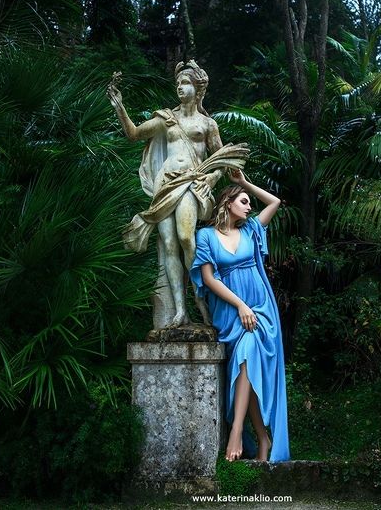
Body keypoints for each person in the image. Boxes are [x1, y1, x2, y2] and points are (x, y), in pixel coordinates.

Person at [106, 61, 248, 329]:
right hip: (165, 185)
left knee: (186, 238)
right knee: (169, 245)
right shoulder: (166, 119)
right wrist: (119, 107)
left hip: (191, 184)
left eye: (186, 84)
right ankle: (179, 310)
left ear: (198, 88)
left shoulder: (207, 124)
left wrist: (211, 177)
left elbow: (222, 161)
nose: (181, 89)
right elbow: (134, 134)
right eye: (179, 84)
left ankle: (199, 297)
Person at [190, 170, 289, 462]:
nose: (249, 206)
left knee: (248, 355)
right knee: (248, 371)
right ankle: (262, 438)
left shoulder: (251, 230)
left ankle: (236, 432)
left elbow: (274, 202)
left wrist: (244, 183)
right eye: (243, 200)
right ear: (227, 202)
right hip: (231, 312)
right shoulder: (206, 235)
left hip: (260, 310)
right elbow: (208, 279)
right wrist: (240, 306)